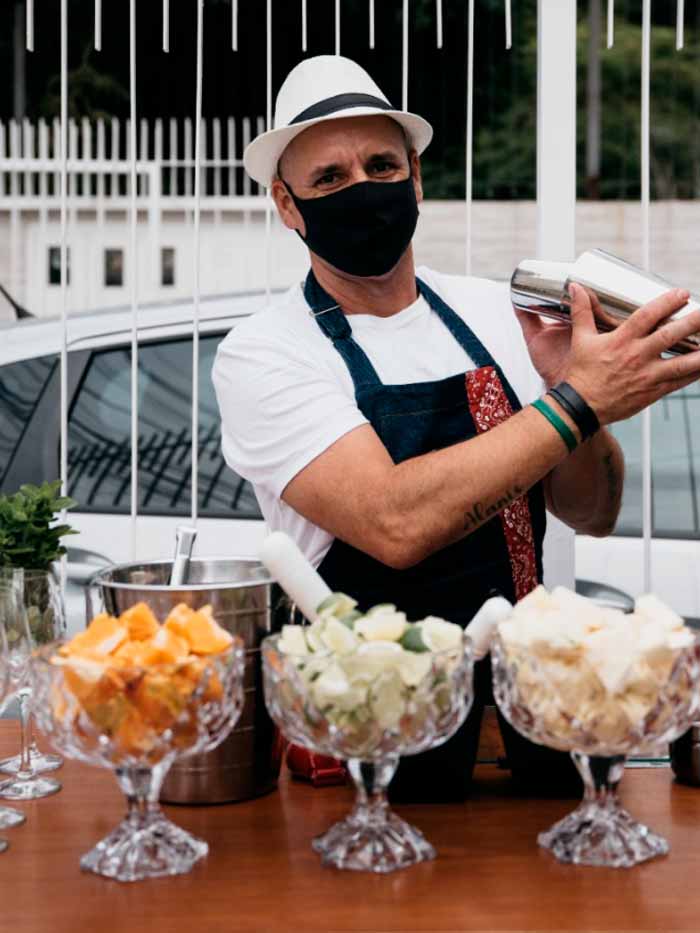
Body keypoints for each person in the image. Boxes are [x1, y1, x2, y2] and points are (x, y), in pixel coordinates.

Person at [213, 55, 700, 801]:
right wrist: (573, 404)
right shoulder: (267, 352)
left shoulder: (493, 311)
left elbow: (593, 511)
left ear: (416, 177)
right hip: (371, 750)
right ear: (287, 204)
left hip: (534, 735)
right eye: (329, 179)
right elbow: (393, 521)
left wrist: (576, 399)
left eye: (381, 166)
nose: (363, 189)